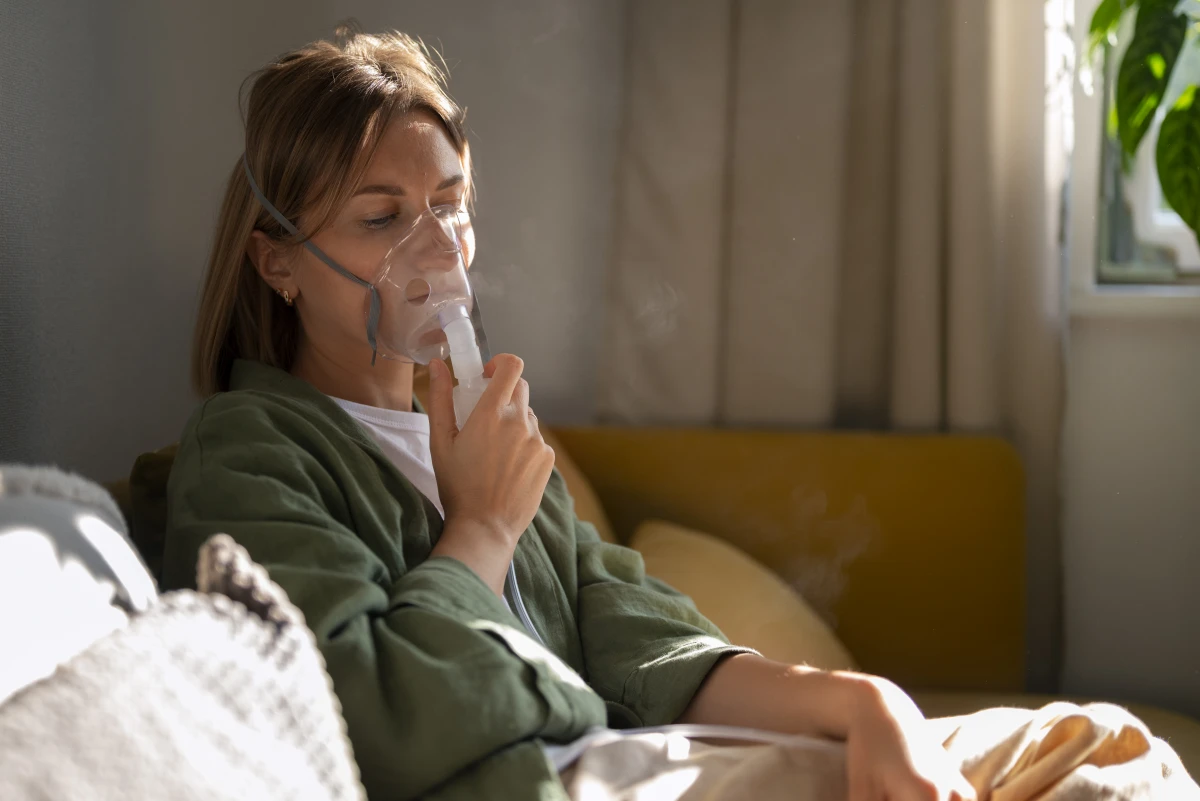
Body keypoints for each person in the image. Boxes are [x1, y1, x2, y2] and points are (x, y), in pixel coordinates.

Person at [163, 25, 976, 801]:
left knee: (1078, 735)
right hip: (554, 781)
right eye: (382, 218)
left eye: (451, 205)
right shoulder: (248, 454)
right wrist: (480, 527)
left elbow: (646, 646)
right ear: (277, 262)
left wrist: (869, 705)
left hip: (643, 760)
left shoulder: (484, 436)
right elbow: (370, 727)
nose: (440, 248)